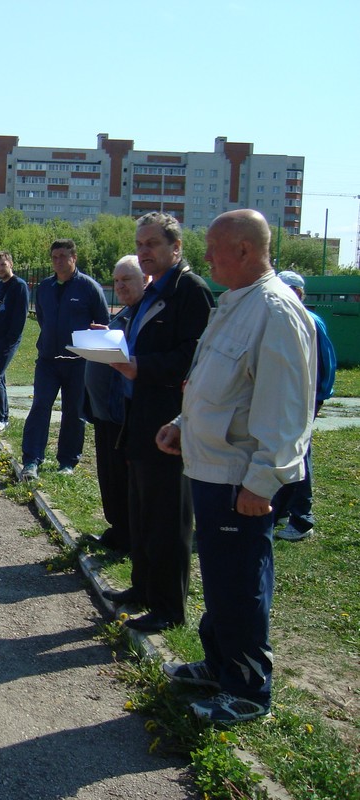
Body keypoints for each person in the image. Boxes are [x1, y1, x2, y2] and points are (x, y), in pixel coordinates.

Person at [158, 209, 316, 724]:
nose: (206, 257)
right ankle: (219, 663)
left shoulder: (274, 311)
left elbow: (286, 409)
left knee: (240, 581)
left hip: (240, 480)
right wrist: (182, 422)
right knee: (222, 578)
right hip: (210, 468)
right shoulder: (236, 304)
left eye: (214, 248)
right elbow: (212, 380)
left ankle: (248, 689)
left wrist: (262, 481)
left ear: (245, 250)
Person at [105, 213, 215, 634]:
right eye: (140, 244)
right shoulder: (152, 293)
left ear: (176, 247)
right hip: (138, 417)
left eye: (152, 244)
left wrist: (141, 367)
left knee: (168, 517)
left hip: (169, 420)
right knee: (141, 509)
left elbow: (196, 357)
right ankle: (142, 588)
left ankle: (169, 607)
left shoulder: (191, 291)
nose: (144, 251)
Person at [21, 239, 108, 479]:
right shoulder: (45, 287)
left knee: (73, 411)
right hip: (48, 360)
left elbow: (103, 324)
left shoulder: (89, 288)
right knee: (40, 407)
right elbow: (42, 319)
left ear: (74, 258)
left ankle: (67, 462)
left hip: (78, 362)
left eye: (63, 256)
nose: (58, 261)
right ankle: (31, 461)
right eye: (54, 257)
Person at [83, 256, 147, 553]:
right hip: (105, 412)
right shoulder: (124, 313)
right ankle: (118, 530)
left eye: (127, 279)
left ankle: (129, 536)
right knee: (109, 476)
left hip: (125, 414)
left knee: (124, 479)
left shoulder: (145, 314)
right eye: (117, 280)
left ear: (145, 280)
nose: (120, 286)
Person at [272, 270, 337, 541]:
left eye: (288, 289)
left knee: (300, 454)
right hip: (285, 400)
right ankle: (282, 510)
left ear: (299, 292)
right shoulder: (281, 319)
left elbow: (326, 364)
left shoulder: (311, 321)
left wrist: (318, 399)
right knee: (285, 453)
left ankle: (302, 518)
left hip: (305, 401)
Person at [0, 250, 29, 433]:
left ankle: (2, 418)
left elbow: (20, 316)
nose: (0, 268)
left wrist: (10, 339)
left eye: (3, 264)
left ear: (11, 264)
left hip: (7, 340)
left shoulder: (19, 286)